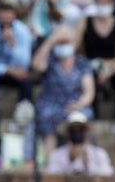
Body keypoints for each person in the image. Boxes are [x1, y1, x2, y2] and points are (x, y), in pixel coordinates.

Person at [31, 26, 94, 158]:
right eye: (60, 42)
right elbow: (36, 65)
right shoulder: (50, 61)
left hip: (75, 104)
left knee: (83, 117)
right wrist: (51, 41)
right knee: (46, 116)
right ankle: (50, 161)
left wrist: (79, 104)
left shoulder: (82, 64)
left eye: (66, 42)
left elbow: (89, 92)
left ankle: (82, 159)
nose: (63, 45)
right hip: (51, 104)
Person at [45, 110, 113, 175]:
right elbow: (51, 176)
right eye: (72, 130)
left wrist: (87, 164)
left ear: (87, 132)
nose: (77, 133)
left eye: (81, 129)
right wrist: (70, 159)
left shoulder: (99, 154)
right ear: (67, 132)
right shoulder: (57, 155)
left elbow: (107, 175)